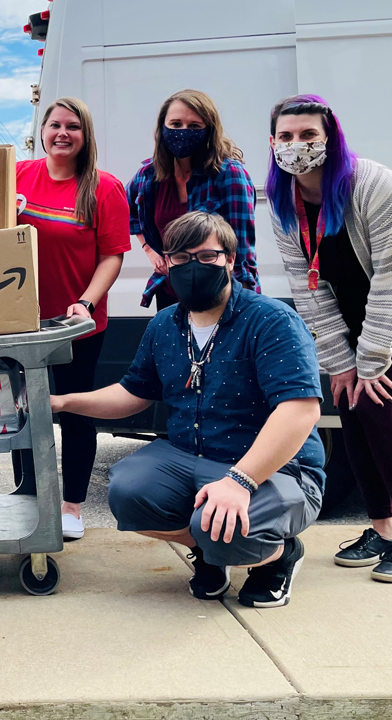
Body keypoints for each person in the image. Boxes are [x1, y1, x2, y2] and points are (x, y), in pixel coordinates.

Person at [52, 212, 325, 608]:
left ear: (231, 260)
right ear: (166, 262)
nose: (192, 267)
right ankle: (213, 555)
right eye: (180, 258)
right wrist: (63, 403)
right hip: (191, 458)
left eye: (207, 256)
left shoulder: (271, 321)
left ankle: (280, 556)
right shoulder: (165, 325)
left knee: (217, 527)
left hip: (273, 470)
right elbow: (134, 393)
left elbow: (299, 411)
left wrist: (239, 482)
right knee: (129, 493)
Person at [266, 94, 392, 582]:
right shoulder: (283, 200)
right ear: (272, 143)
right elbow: (307, 289)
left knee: (378, 407)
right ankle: (383, 529)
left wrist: (369, 362)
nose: (297, 145)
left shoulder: (373, 183)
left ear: (330, 140)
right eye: (286, 136)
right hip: (356, 306)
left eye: (308, 135)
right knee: (348, 407)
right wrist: (340, 363)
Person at [10, 97, 130, 540]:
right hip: (17, 321)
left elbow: (111, 256)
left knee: (76, 412)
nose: (62, 133)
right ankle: (28, 497)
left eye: (73, 127)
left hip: (76, 324)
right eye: (55, 124)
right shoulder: (18, 175)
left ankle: (71, 506)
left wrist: (87, 302)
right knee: (20, 411)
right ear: (42, 130)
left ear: (85, 135)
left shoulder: (104, 187)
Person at [126, 89, 260, 309]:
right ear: (162, 127)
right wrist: (149, 250)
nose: (183, 132)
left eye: (194, 126)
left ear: (210, 130)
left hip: (218, 296)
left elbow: (242, 252)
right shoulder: (149, 175)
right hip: (171, 292)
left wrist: (244, 307)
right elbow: (124, 209)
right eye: (176, 124)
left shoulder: (229, 174)